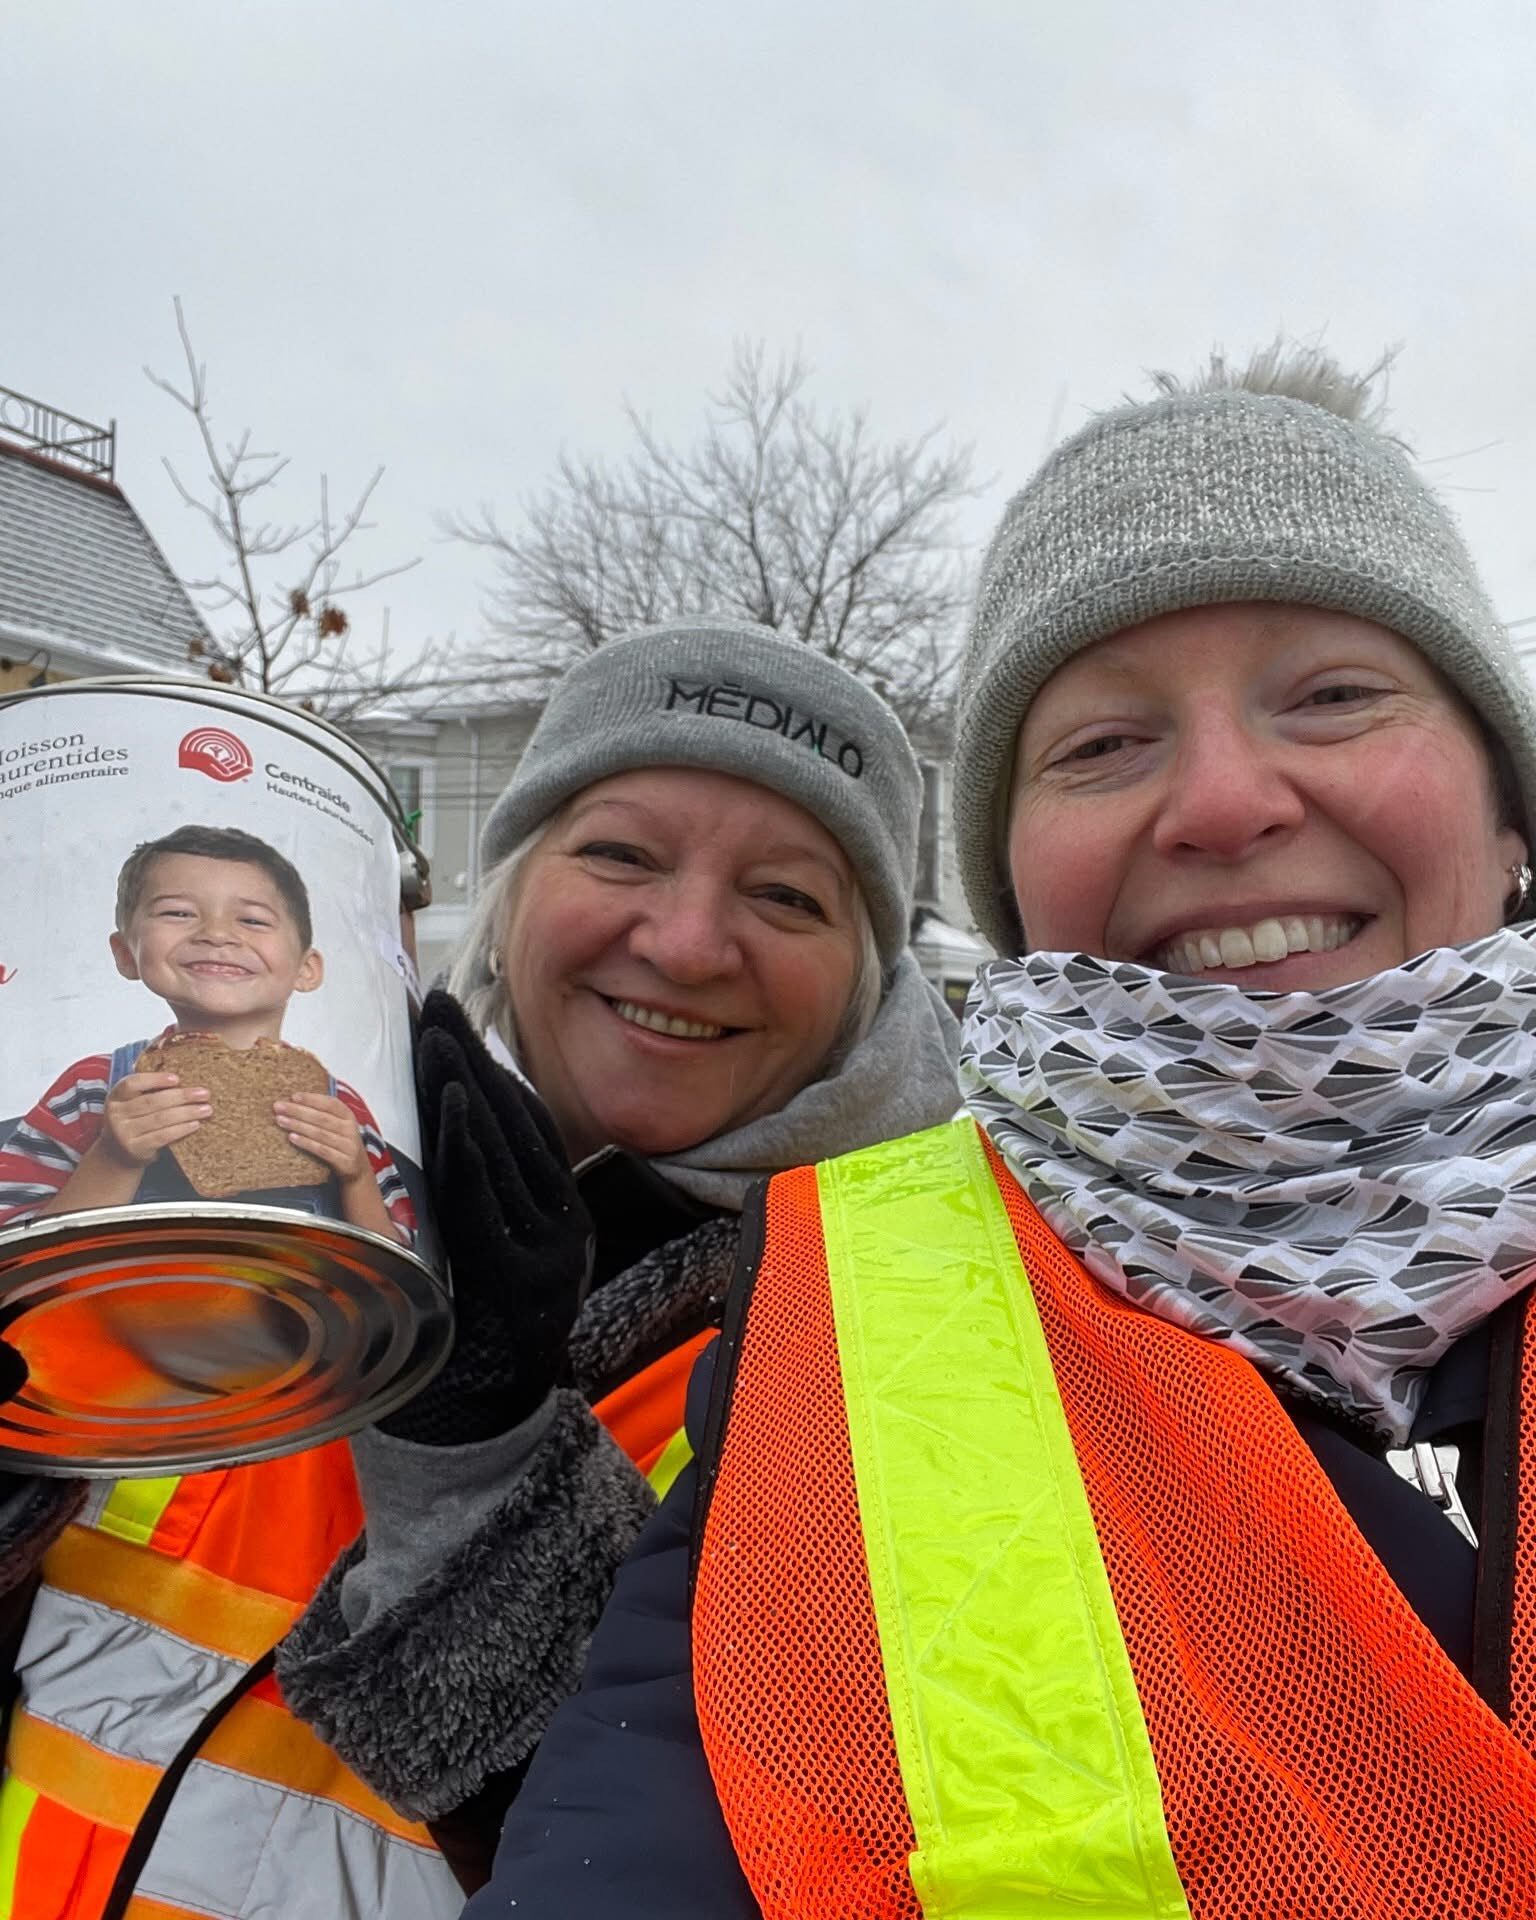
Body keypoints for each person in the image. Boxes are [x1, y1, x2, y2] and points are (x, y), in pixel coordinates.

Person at [474, 349, 1536, 1918]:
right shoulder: (859, 1313)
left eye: (1334, 694)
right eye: (1102, 743)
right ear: (1012, 889)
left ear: (1511, 812)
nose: (1224, 802)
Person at [0, 620, 959, 1920]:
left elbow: (726, 1850)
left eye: (788, 896)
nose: (684, 943)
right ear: (506, 897)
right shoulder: (284, 1175)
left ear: (870, 983)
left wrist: (488, 1456)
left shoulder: (908, 1342)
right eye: (620, 853)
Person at [0, 823, 414, 1242]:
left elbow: (400, 1262)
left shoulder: (337, 1107)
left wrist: (356, 1175)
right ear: (127, 954)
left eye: (253, 919)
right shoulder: (89, 1089)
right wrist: (113, 1158)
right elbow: (14, 1247)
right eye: (178, 913)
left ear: (306, 969)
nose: (216, 934)